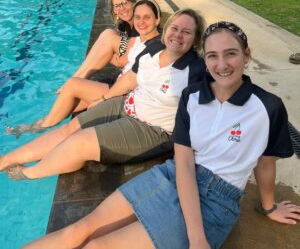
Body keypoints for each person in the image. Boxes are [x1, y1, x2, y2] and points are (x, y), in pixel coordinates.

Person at [22, 21, 300, 249]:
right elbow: (183, 163)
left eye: (231, 53)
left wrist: (268, 207)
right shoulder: (193, 96)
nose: (222, 64)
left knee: (97, 247)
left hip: (216, 200)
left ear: (246, 56)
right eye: (213, 55)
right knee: (79, 230)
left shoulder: (267, 107)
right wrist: (196, 237)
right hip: (172, 176)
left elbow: (265, 162)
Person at [1, 9, 206, 180]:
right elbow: (128, 79)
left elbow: (208, 112)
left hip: (151, 129)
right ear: (166, 28)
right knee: (70, 128)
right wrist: (103, 99)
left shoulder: (196, 71)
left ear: (196, 40)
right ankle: (7, 159)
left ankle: (30, 172)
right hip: (126, 103)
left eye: (186, 32)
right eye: (175, 28)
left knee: (79, 142)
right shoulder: (152, 50)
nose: (178, 35)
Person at [6, 0, 162, 135]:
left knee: (74, 84)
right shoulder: (131, 32)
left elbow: (130, 74)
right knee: (66, 106)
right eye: (117, 6)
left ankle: (41, 126)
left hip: (123, 93)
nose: (121, 8)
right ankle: (35, 127)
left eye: (124, 3)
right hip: (121, 83)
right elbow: (123, 59)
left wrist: (103, 98)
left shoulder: (149, 43)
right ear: (113, 11)